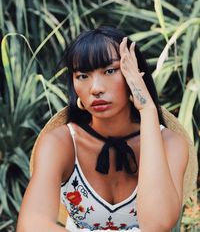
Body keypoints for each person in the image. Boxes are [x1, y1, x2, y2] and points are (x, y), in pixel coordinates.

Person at [17, 26, 189, 232]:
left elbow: (158, 224)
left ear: (135, 75)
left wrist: (148, 110)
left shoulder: (170, 143)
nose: (96, 88)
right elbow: (31, 225)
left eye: (110, 71)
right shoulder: (61, 142)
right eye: (82, 75)